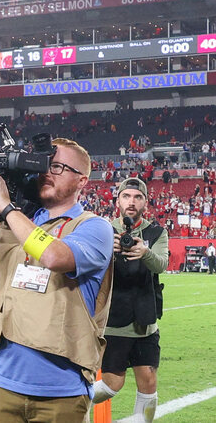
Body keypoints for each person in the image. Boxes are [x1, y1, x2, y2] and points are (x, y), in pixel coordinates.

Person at [0, 138, 115, 422]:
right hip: (3, 383)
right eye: (44, 166)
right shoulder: (15, 226)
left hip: (62, 391)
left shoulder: (95, 226)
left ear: (82, 181)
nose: (46, 173)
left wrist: (7, 208)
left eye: (57, 166)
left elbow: (55, 257)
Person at [92, 177, 168, 422]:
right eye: (126, 196)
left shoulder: (157, 232)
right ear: (118, 201)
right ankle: (68, 400)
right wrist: (107, 252)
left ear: (145, 202)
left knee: (149, 382)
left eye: (137, 197)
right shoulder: (104, 229)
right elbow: (89, 267)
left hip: (145, 320)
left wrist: (144, 252)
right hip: (115, 320)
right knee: (112, 383)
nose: (131, 202)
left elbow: (161, 264)